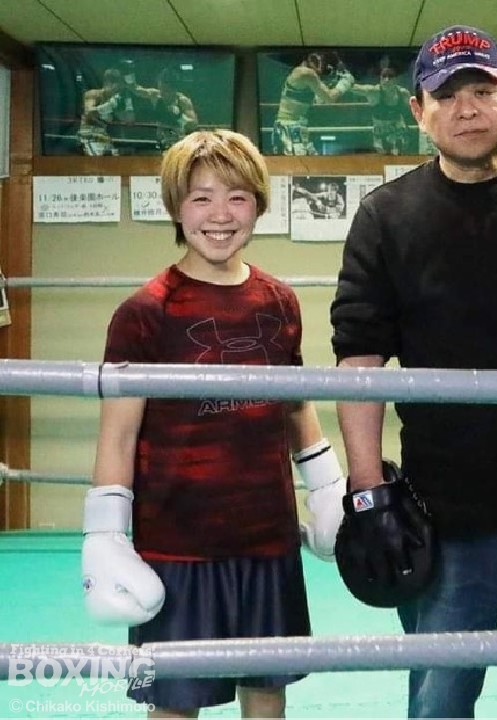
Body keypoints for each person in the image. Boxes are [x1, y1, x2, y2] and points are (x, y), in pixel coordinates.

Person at [330, 24, 497, 720]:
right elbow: (360, 354)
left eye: (482, 90)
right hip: (443, 508)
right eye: (447, 95)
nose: (467, 109)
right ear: (418, 112)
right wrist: (367, 490)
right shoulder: (385, 217)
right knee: (440, 700)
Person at [81, 129, 346, 718]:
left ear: (258, 204)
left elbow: (296, 403)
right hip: (178, 545)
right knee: (175, 702)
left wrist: (328, 487)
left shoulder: (279, 301)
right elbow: (118, 432)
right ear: (177, 208)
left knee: (267, 692)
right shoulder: (145, 312)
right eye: (201, 198)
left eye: (237, 197)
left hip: (267, 536)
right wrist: (105, 536)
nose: (220, 215)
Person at [272, 52, 355, 155]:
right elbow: (329, 98)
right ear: (313, 59)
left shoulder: (303, 76)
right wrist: (345, 83)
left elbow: (318, 100)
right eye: (324, 62)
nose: (324, 68)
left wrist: (333, 85)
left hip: (294, 128)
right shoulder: (306, 73)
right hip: (289, 128)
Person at [134, 67, 199, 151]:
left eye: (165, 90)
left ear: (174, 89)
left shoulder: (183, 101)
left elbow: (193, 124)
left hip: (178, 143)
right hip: (161, 141)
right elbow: (137, 90)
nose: (162, 93)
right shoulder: (156, 95)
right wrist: (127, 82)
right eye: (160, 89)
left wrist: (180, 117)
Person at [352, 67, 413, 155]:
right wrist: (343, 82)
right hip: (380, 129)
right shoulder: (373, 92)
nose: (387, 80)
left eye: (390, 77)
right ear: (380, 79)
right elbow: (353, 88)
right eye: (384, 77)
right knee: (384, 154)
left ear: (395, 80)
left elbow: (412, 110)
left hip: (398, 127)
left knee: (400, 153)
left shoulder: (403, 93)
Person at [79, 67, 134, 156]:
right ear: (108, 83)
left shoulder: (116, 100)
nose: (119, 90)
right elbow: (89, 112)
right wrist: (109, 106)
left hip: (104, 137)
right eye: (118, 86)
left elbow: (129, 121)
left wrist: (128, 105)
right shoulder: (94, 94)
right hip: (89, 135)